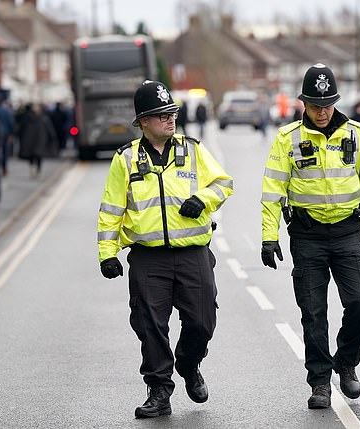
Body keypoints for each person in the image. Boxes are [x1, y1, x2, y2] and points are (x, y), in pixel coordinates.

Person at [96, 80, 233, 419]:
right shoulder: (125, 160)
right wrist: (107, 253)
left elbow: (224, 183)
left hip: (193, 253)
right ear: (143, 121)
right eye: (161, 116)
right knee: (149, 325)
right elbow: (111, 209)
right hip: (148, 257)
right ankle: (159, 390)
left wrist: (202, 199)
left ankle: (189, 363)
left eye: (171, 114)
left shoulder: (193, 149)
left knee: (202, 322)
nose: (170, 121)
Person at [260, 64, 360, 409]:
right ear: (304, 102)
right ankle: (320, 381)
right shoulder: (287, 139)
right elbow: (272, 190)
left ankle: (346, 362)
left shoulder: (354, 135)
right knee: (313, 313)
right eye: (315, 105)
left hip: (348, 231)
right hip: (307, 236)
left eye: (328, 104)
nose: (322, 112)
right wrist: (268, 236)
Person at [17, 104, 58, 178]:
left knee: (31, 156)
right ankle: (38, 171)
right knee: (39, 156)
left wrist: (20, 137)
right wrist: (52, 138)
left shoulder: (27, 118)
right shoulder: (44, 118)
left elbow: (21, 129)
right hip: (40, 140)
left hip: (29, 140)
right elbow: (50, 129)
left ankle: (32, 169)